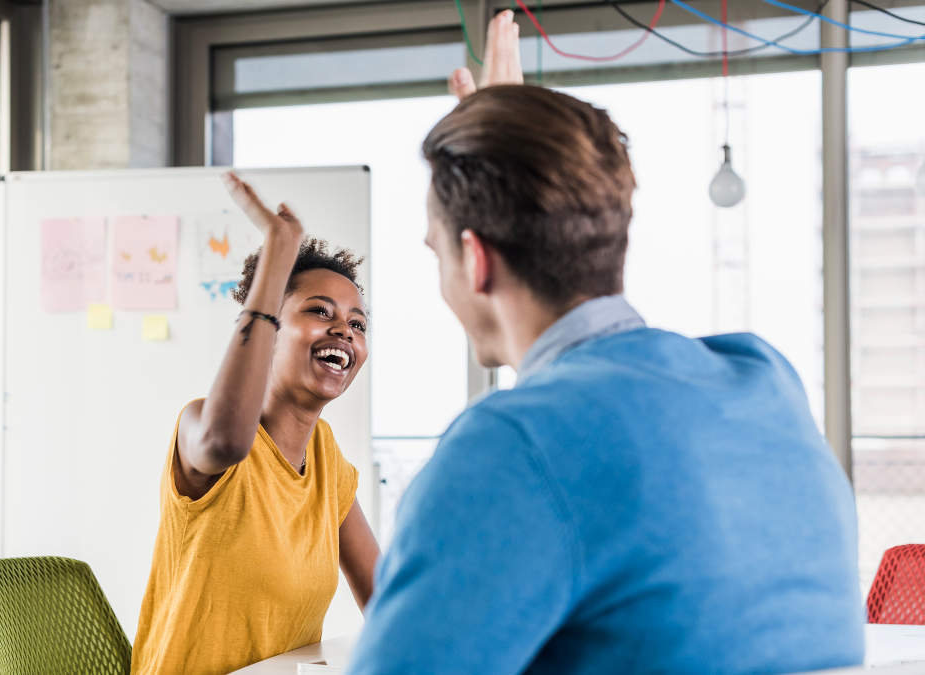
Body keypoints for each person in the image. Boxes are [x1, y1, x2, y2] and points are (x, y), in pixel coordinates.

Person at [348, 11, 864, 674]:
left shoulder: (508, 447)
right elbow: (597, 412)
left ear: (475, 260)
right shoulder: (763, 381)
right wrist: (509, 147)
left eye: (435, 249)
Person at [132, 172, 381, 675]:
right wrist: (277, 258)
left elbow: (384, 599)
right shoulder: (201, 425)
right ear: (269, 326)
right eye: (319, 310)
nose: (345, 331)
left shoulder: (326, 457)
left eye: (357, 323)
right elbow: (226, 441)